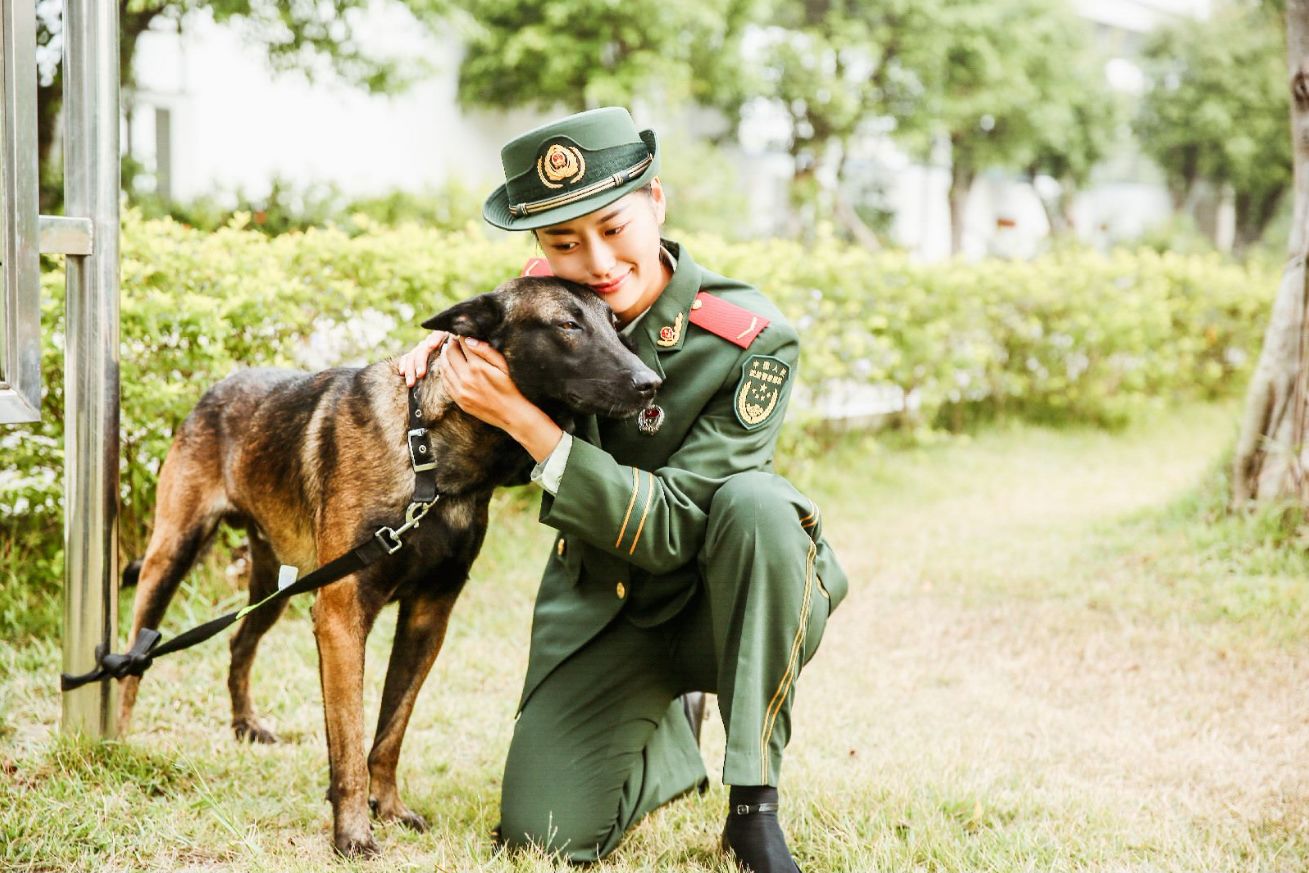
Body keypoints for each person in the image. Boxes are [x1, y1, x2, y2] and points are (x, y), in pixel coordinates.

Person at [397, 107, 848, 873]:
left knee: (758, 505)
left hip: (728, 594)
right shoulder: (538, 315)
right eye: (562, 241)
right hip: (604, 605)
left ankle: (752, 805)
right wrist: (443, 354)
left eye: (613, 226)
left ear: (657, 203)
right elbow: (485, 334)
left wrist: (530, 427)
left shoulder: (748, 338)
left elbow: (673, 525)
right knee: (541, 836)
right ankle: (667, 732)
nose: (597, 259)